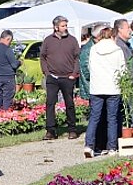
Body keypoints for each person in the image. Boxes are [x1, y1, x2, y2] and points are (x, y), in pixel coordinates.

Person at [85, 25, 126, 158]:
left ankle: (89, 145)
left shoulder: (94, 49)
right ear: (112, 36)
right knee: (112, 119)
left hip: (97, 87)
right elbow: (122, 69)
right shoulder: (117, 49)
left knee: (94, 118)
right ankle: (112, 147)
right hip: (113, 87)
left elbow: (90, 66)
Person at [40, 15, 81, 140]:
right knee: (50, 103)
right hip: (52, 77)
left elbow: (77, 58)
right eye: (63, 26)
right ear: (56, 27)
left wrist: (74, 73)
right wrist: (46, 73)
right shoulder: (48, 40)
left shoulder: (72, 40)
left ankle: (72, 129)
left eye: (66, 25)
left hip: (68, 77)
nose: (65, 28)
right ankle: (50, 131)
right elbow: (43, 57)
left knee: (69, 103)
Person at [0, 29, 21, 111]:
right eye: (10, 41)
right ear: (8, 38)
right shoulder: (7, 49)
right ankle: (6, 117)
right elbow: (14, 65)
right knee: (7, 101)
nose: (10, 43)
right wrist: (20, 62)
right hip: (8, 77)